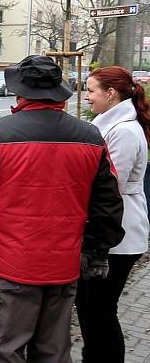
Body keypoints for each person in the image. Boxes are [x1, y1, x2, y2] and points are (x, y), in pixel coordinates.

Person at [0, 55, 125, 362]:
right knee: (53, 353)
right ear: (58, 92)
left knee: (3, 350)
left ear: (20, 92)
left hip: (7, 268)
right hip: (62, 269)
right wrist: (96, 252)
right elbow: (108, 202)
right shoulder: (92, 137)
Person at [76, 66, 150, 362]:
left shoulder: (123, 131)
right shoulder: (115, 125)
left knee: (99, 311)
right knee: (93, 310)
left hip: (118, 236)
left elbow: (109, 186)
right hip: (114, 232)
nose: (87, 97)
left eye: (92, 90)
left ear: (111, 93)